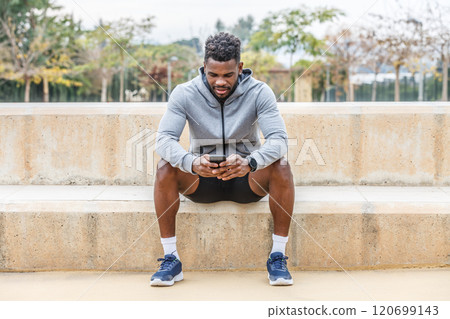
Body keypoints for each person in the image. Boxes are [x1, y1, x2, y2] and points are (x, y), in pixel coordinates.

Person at [150, 32, 295, 287]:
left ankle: (278, 255)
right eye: (213, 74)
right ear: (204, 67)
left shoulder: (260, 92)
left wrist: (251, 162)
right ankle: (171, 259)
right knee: (164, 167)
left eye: (228, 75)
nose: (220, 82)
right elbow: (163, 140)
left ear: (239, 67)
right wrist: (190, 162)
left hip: (246, 178)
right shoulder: (184, 93)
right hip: (202, 179)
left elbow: (279, 140)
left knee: (281, 166)